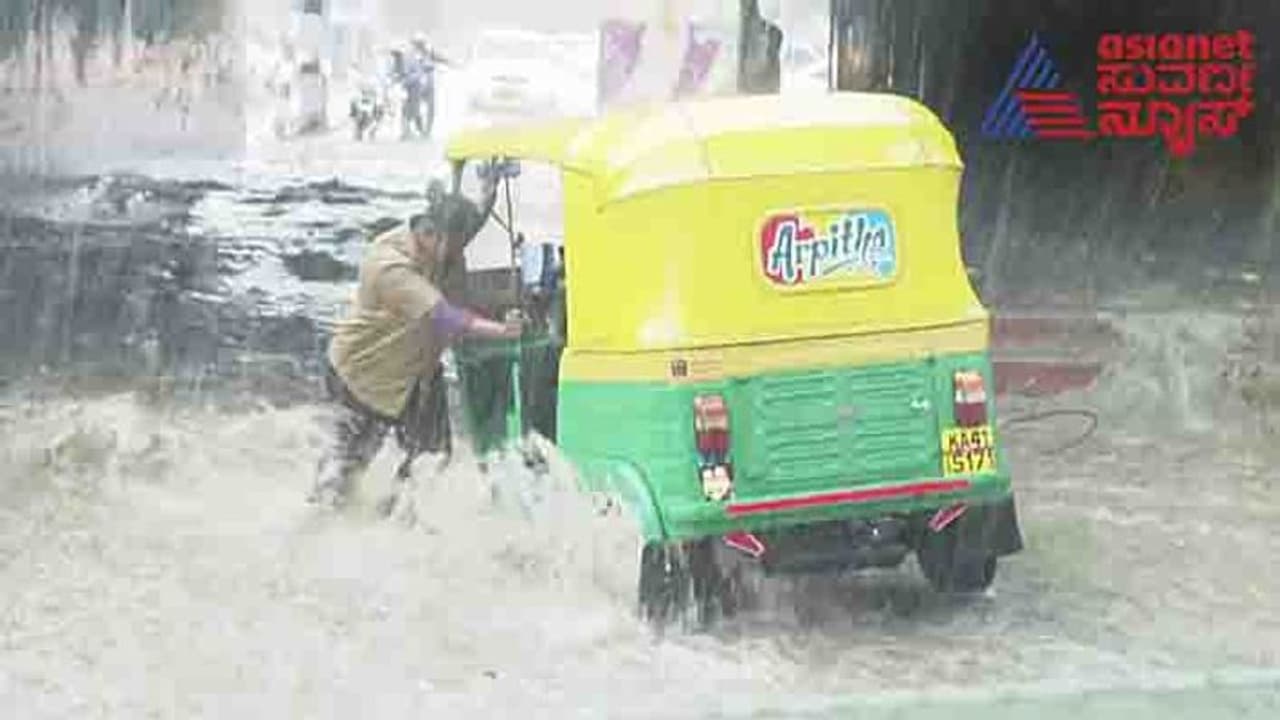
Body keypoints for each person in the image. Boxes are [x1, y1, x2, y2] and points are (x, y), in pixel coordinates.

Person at [309, 163, 516, 515]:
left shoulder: (439, 237)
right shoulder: (389, 265)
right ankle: (323, 530)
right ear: (429, 233)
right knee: (346, 468)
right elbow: (444, 316)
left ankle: (397, 520)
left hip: (417, 372)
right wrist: (504, 331)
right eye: (451, 251)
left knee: (432, 457)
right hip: (364, 376)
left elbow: (470, 223)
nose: (455, 258)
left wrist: (490, 188)